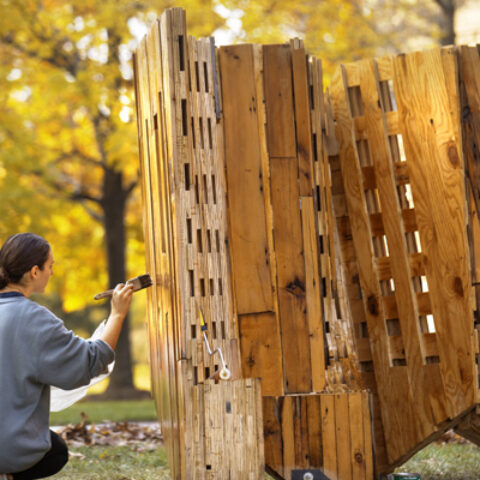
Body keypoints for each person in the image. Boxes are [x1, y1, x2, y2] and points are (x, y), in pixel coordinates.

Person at [0, 233, 134, 480]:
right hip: (9, 451)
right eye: (50, 266)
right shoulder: (34, 319)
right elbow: (91, 361)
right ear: (34, 271)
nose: (52, 272)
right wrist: (117, 315)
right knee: (56, 452)